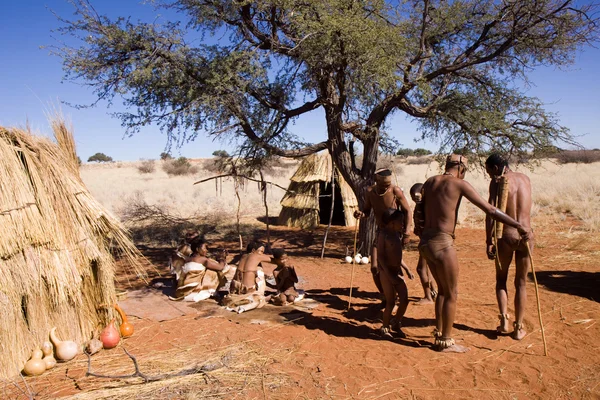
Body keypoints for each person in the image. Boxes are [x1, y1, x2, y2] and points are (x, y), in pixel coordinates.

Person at [418, 154, 532, 353]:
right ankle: (446, 341)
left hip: (426, 243)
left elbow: (419, 209)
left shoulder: (429, 181)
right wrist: (517, 225)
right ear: (461, 168)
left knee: (443, 292)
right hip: (444, 244)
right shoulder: (460, 184)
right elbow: (490, 210)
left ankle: (440, 334)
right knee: (451, 293)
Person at [353, 168, 413, 336]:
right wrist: (360, 213)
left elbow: (407, 211)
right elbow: (366, 211)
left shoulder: (395, 191)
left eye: (388, 184)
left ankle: (392, 313)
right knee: (376, 267)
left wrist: (406, 232)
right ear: (376, 181)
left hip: (395, 231)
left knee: (392, 260)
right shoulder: (371, 192)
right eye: (383, 184)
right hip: (382, 232)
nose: (386, 187)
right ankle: (386, 296)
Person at [485, 153, 534, 340]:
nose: (489, 174)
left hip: (506, 236)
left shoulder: (498, 182)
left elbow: (490, 212)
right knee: (521, 282)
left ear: (496, 168)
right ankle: (519, 327)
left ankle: (504, 320)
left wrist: (488, 241)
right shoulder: (525, 179)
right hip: (527, 235)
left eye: (488, 170)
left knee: (501, 280)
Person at [376, 208, 415, 338]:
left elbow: (398, 257)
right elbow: (380, 257)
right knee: (390, 302)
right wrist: (389, 275)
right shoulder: (383, 235)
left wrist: (407, 269)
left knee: (404, 299)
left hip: (397, 271)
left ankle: (396, 323)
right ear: (392, 223)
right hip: (386, 273)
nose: (403, 224)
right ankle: (385, 327)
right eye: (400, 222)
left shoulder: (397, 235)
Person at [170, 237, 231, 302]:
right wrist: (222, 258)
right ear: (197, 249)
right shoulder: (203, 260)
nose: (206, 250)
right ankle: (210, 290)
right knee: (214, 271)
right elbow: (220, 267)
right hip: (194, 291)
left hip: (184, 291)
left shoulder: (190, 258)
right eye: (204, 248)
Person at [222, 241, 272, 313]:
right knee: (259, 300)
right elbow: (273, 259)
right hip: (248, 290)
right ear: (253, 250)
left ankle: (240, 301)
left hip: (237, 290)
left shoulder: (243, 256)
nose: (262, 254)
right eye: (261, 251)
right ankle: (244, 306)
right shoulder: (256, 256)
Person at [409, 183, 437, 305]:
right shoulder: (428, 206)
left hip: (427, 241)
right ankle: (433, 291)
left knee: (421, 269)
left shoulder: (422, 206)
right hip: (428, 240)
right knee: (428, 268)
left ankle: (428, 297)